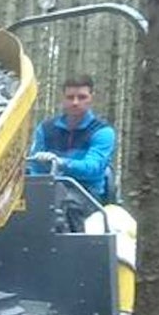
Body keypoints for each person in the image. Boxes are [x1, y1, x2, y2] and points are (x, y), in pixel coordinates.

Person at [28, 74, 117, 230]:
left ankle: (72, 250)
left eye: (81, 97)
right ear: (63, 98)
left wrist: (61, 163)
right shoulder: (46, 128)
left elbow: (93, 168)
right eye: (70, 97)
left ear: (91, 98)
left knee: (66, 206)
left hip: (85, 192)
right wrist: (40, 162)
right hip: (48, 189)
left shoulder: (102, 132)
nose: (75, 102)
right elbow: (34, 168)